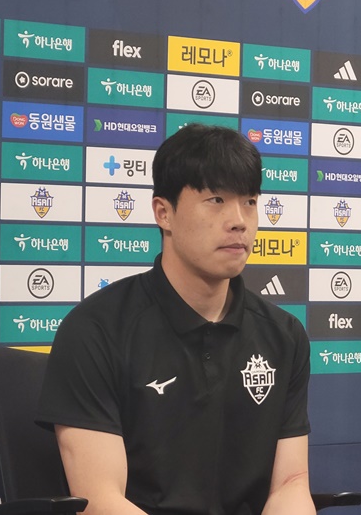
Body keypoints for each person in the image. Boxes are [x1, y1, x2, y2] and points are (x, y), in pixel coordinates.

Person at [36, 124, 314, 515]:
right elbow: (99, 500)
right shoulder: (94, 330)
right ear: (164, 213)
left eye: (250, 201)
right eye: (216, 200)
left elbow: (290, 484)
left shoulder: (284, 335)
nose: (239, 221)